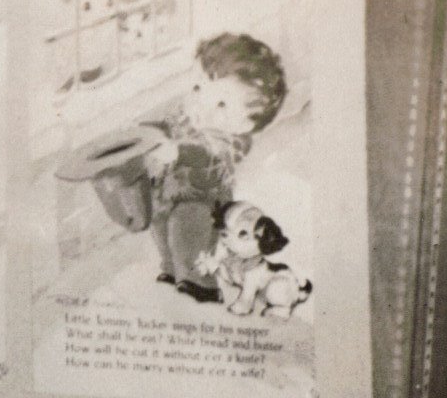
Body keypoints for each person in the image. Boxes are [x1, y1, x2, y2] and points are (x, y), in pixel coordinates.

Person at [55, 31, 290, 301]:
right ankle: (169, 267)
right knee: (161, 230)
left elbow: (211, 157)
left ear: (244, 123)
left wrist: (179, 151)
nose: (202, 103)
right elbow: (167, 126)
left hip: (202, 201)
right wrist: (145, 131)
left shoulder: (233, 140)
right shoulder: (188, 112)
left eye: (222, 103)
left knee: (187, 240)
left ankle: (198, 282)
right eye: (198, 88)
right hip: (168, 191)